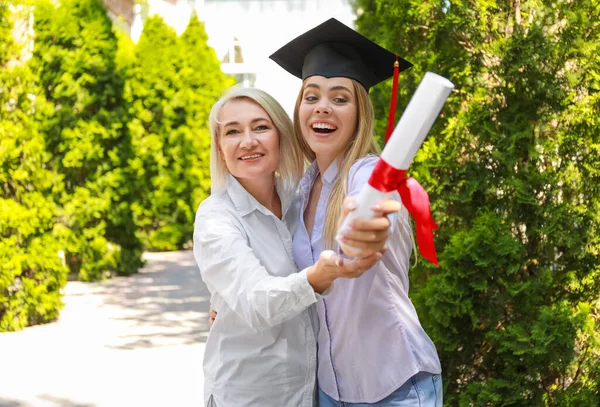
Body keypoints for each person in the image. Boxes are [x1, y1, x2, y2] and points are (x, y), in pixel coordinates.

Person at [269, 18, 443, 406]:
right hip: (331, 389)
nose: (323, 108)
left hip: (395, 386)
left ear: (359, 112)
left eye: (340, 97)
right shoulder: (298, 190)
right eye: (311, 96)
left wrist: (369, 225)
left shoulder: (367, 175)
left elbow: (379, 204)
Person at [193, 86, 400, 407]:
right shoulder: (216, 217)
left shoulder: (302, 198)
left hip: (313, 392)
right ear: (220, 149)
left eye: (261, 127)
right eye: (232, 132)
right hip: (251, 394)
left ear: (281, 136)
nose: (248, 141)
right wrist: (316, 278)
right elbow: (255, 301)